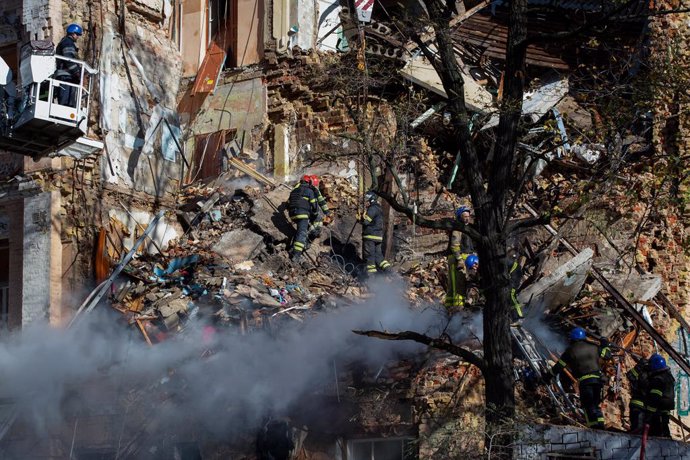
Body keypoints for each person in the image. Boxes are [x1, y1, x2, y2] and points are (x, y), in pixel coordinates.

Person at [545, 327, 612, 429]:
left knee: (588, 406)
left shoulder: (570, 351)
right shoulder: (594, 347)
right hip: (598, 381)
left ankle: (594, 429)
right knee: (595, 405)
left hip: (585, 382)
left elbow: (558, 367)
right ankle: (600, 426)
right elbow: (607, 355)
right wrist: (604, 344)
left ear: (572, 338)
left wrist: (547, 376)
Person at [444, 206, 474, 308]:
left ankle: (454, 306)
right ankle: (456, 309)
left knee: (464, 282)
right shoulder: (458, 228)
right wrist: (459, 259)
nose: (467, 218)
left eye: (468, 216)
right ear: (459, 217)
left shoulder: (468, 228)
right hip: (457, 259)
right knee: (457, 284)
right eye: (464, 216)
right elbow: (454, 245)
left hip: (466, 258)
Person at [287, 175, 317, 262]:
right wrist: (314, 215)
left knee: (299, 231)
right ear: (309, 183)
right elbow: (314, 206)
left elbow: (288, 203)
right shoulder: (309, 191)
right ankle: (296, 255)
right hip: (302, 214)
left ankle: (295, 247)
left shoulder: (294, 191)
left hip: (292, 214)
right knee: (302, 233)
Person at [644, 353, 675, 438]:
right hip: (665, 410)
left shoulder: (658, 379)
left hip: (657, 410)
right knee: (664, 430)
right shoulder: (669, 377)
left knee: (656, 432)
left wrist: (649, 415)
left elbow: (655, 398)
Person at [360, 190, 390, 275]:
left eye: (367, 200)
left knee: (370, 258)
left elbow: (366, 222)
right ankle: (391, 273)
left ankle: (371, 279)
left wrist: (360, 219)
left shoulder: (372, 208)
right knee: (379, 258)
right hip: (378, 237)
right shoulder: (379, 208)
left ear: (371, 200)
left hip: (370, 236)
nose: (365, 202)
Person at [55, 23, 83, 107]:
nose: (78, 37)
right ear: (73, 33)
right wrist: (77, 73)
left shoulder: (64, 42)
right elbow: (69, 60)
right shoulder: (68, 43)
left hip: (65, 76)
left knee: (67, 102)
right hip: (66, 76)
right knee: (66, 103)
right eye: (77, 34)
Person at [626, 356, 650, 434]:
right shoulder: (652, 375)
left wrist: (639, 366)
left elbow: (630, 375)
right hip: (641, 406)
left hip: (637, 406)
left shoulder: (642, 373)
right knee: (638, 431)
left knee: (637, 430)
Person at [306, 175, 330, 242]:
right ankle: (308, 238)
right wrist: (327, 212)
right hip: (309, 210)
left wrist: (327, 212)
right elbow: (321, 201)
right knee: (316, 224)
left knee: (315, 223)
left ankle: (310, 235)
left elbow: (321, 201)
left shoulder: (309, 189)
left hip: (308, 210)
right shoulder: (312, 189)